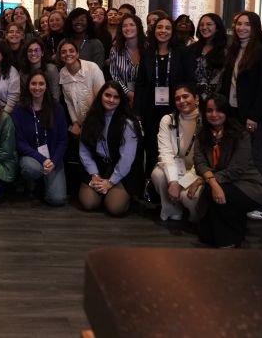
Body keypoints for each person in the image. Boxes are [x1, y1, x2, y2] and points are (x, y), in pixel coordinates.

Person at [220, 11, 262, 219]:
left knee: (256, 159)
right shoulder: (234, 50)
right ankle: (247, 198)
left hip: (250, 116)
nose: (242, 28)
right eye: (239, 24)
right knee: (240, 159)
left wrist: (254, 116)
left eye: (247, 24)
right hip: (234, 112)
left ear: (255, 28)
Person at [193, 94, 262, 248]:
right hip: (222, 181)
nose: (214, 115)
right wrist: (213, 182)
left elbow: (237, 169)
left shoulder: (241, 134)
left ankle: (228, 241)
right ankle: (230, 232)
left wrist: (208, 180)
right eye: (209, 110)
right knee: (205, 235)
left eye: (219, 110)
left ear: (226, 112)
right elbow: (199, 161)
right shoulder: (202, 133)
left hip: (248, 185)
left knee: (214, 193)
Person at [136, 16, 194, 182]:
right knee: (152, 147)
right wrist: (138, 111)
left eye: (167, 28)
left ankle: (176, 184)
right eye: (159, 27)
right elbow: (141, 83)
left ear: (173, 31)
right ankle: (152, 188)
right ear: (154, 31)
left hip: (175, 108)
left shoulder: (182, 52)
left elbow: (189, 79)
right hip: (150, 109)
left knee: (175, 148)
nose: (163, 31)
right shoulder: (148, 53)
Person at [78, 82, 140, 216]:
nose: (111, 100)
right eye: (107, 95)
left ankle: (122, 196)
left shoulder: (127, 123)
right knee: (88, 203)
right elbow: (84, 150)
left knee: (114, 208)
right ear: (101, 96)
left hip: (120, 169)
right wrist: (94, 174)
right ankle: (104, 193)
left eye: (116, 97)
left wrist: (111, 182)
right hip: (98, 166)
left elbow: (127, 159)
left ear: (120, 100)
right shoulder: (90, 118)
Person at [12, 71, 68, 206]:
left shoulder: (56, 108)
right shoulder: (19, 109)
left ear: (47, 86)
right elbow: (19, 142)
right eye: (33, 84)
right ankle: (33, 182)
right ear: (28, 86)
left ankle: (42, 185)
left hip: (53, 158)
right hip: (32, 157)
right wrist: (42, 160)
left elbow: (63, 140)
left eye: (41, 84)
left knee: (57, 199)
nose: (37, 87)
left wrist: (53, 161)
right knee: (30, 168)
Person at [151, 83, 202, 222]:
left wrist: (182, 183)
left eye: (185, 96)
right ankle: (173, 210)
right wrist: (174, 181)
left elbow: (203, 162)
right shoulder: (168, 120)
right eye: (177, 98)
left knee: (190, 198)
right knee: (158, 175)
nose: (181, 101)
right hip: (175, 167)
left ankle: (195, 218)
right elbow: (165, 154)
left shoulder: (205, 121)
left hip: (196, 171)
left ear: (196, 99)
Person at [58, 39, 106, 137]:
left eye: (71, 51)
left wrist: (91, 123)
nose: (68, 54)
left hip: (98, 121)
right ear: (60, 57)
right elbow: (69, 102)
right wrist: (75, 122)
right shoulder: (62, 73)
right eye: (63, 52)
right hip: (80, 126)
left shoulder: (92, 68)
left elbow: (101, 97)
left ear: (77, 54)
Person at [108, 14, 146, 107]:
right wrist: (129, 94)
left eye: (132, 25)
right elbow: (115, 76)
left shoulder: (148, 47)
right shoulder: (115, 50)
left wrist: (139, 96)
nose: (128, 28)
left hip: (146, 97)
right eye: (124, 26)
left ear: (138, 27)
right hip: (122, 98)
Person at [190, 13, 227, 99]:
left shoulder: (226, 50)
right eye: (201, 25)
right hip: (195, 98)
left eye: (209, 24)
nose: (204, 27)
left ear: (217, 27)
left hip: (218, 98)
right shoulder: (192, 49)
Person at [19, 38, 60, 102]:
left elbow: (55, 96)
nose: (33, 53)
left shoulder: (51, 70)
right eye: (30, 51)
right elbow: (23, 97)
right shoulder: (23, 73)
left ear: (42, 53)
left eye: (37, 50)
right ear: (26, 54)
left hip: (50, 107)